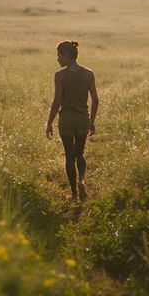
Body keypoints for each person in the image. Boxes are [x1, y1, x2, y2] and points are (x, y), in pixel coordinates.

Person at [46, 40, 99, 202]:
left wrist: (49, 123)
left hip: (66, 121)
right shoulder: (89, 73)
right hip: (83, 119)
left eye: (59, 55)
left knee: (69, 157)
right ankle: (82, 181)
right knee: (80, 153)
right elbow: (95, 100)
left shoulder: (60, 75)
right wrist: (91, 121)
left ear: (67, 55)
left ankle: (74, 195)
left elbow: (57, 102)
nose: (58, 59)